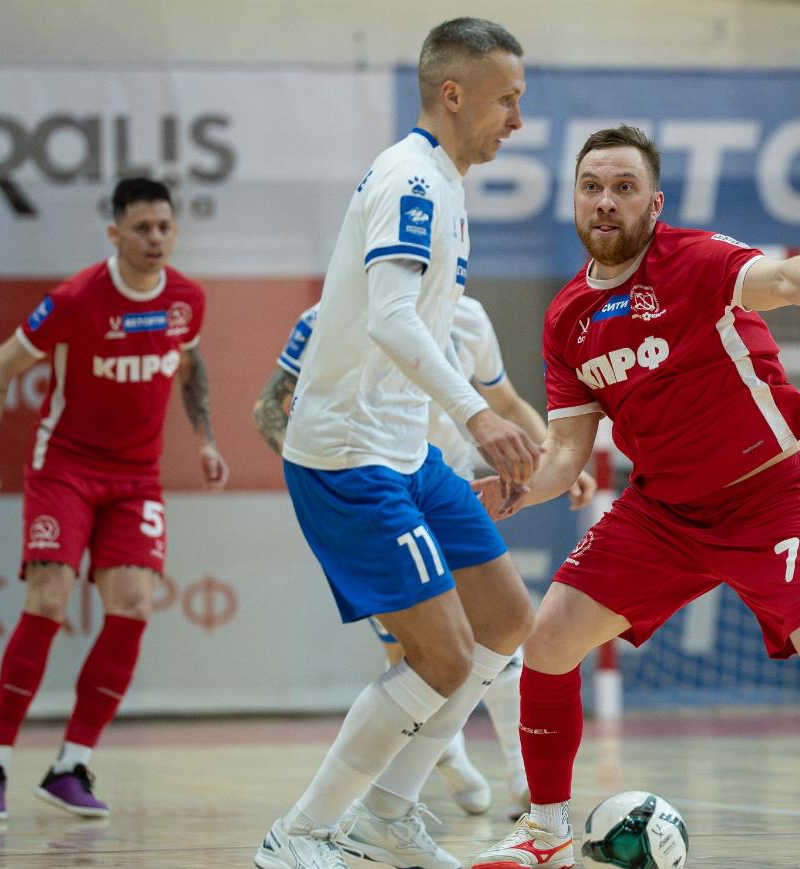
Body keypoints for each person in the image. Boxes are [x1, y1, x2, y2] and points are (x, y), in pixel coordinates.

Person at [469, 125, 800, 869]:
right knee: (549, 640)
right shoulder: (567, 319)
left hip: (769, 495)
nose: (606, 201)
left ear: (655, 203)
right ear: (574, 201)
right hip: (664, 512)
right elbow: (568, 455)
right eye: (591, 187)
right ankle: (546, 828)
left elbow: (781, 282)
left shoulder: (696, 259)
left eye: (623, 188)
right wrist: (520, 486)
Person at [253, 17, 538, 869]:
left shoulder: (445, 182)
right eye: (506, 100)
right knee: (444, 655)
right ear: (453, 94)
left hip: (405, 449)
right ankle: (301, 832)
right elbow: (389, 318)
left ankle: (389, 807)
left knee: (506, 618)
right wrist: (478, 416)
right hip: (350, 456)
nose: (517, 121)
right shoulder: (410, 178)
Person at [252, 296, 597, 819]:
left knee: (502, 626)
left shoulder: (467, 314)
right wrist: (324, 476)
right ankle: (431, 767)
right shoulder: (331, 314)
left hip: (448, 487)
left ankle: (520, 779)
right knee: (420, 653)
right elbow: (269, 409)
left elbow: (504, 403)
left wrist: (555, 462)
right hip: (375, 495)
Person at [0, 177, 228, 821]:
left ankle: (70, 765)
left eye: (165, 227)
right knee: (48, 599)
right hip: (65, 469)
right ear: (114, 234)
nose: (156, 239)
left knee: (133, 605)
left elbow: (189, 366)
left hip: (136, 479)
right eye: (142, 228)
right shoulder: (77, 298)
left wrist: (206, 441)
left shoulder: (185, 300)